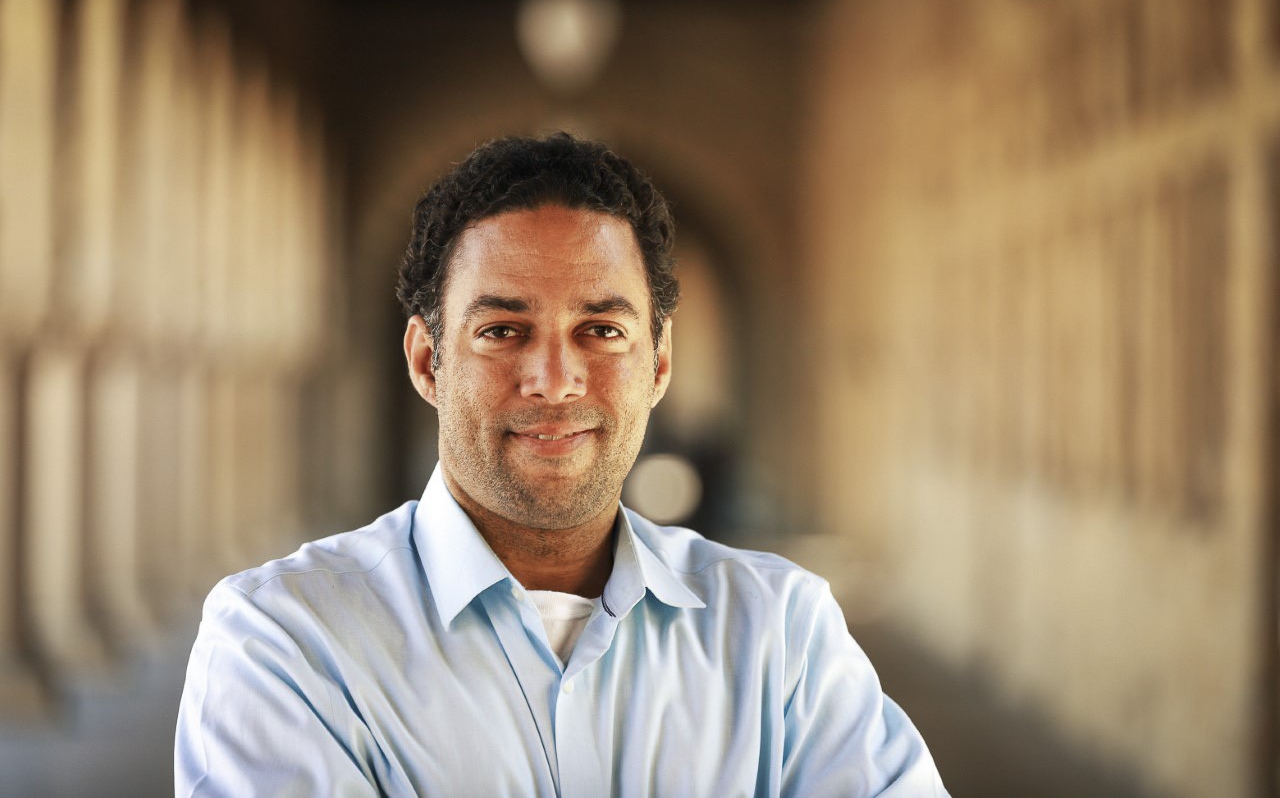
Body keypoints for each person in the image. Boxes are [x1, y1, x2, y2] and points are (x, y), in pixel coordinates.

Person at [175, 132, 946, 796]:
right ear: (425, 361)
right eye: (504, 330)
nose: (555, 378)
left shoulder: (783, 635)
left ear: (660, 361)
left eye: (602, 330)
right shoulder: (286, 642)